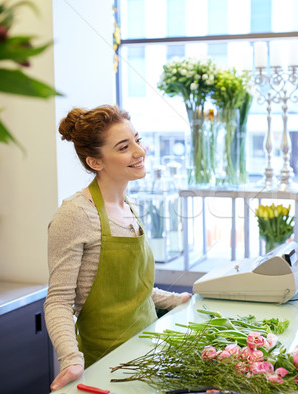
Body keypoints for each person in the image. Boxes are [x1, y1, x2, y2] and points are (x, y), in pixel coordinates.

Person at [44, 105, 191, 391]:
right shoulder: (75, 214)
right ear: (95, 162)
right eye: (125, 147)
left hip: (150, 350)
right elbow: (59, 301)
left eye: (138, 139)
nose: (140, 151)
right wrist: (71, 359)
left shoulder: (130, 206)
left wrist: (178, 300)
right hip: (108, 365)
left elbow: (134, 290)